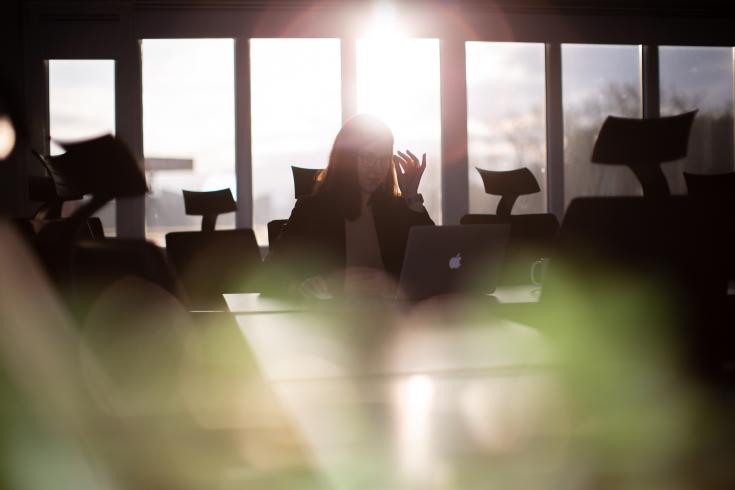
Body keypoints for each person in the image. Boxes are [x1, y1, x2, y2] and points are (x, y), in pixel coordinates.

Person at [266, 114, 434, 299]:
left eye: (384, 159)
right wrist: (300, 286)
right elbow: (271, 275)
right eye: (367, 158)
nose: (376, 168)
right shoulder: (312, 210)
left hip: (391, 317)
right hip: (335, 319)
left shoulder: (397, 210)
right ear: (347, 159)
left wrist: (411, 197)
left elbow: (432, 265)